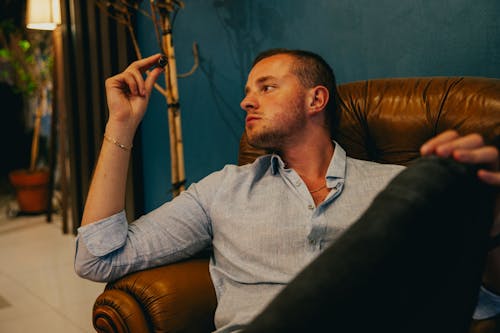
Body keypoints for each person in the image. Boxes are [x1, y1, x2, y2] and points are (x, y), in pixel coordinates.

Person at [74, 49, 500, 332]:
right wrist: (121, 124)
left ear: (316, 100)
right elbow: (98, 256)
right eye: (246, 92)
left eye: (267, 87)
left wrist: (471, 198)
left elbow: (472, 302)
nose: (246, 102)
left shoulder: (393, 187)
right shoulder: (222, 190)